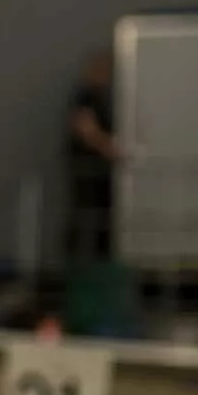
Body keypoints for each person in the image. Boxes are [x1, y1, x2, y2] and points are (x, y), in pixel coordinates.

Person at [66, 52, 120, 264]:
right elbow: (86, 129)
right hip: (88, 170)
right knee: (86, 215)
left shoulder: (100, 98)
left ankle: (98, 258)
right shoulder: (86, 97)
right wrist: (112, 149)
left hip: (99, 171)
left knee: (99, 217)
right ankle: (82, 261)